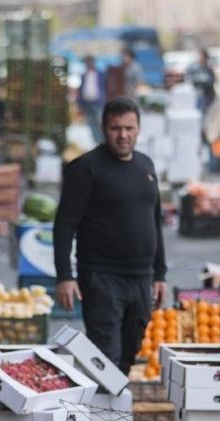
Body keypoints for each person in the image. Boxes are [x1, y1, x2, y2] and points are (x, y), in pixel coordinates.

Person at [53, 97, 168, 374]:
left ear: (139, 129)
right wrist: (65, 276)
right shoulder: (85, 168)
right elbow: (64, 224)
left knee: (131, 353)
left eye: (129, 128)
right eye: (116, 128)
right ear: (104, 129)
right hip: (102, 278)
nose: (123, 135)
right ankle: (107, 415)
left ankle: (116, 411)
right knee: (106, 357)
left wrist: (160, 274)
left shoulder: (146, 166)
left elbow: (155, 220)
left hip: (141, 277)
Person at [77, 55, 103, 144]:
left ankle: (105, 142)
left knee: (100, 122)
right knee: (92, 124)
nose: (88, 64)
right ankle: (97, 143)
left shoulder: (100, 74)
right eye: (86, 62)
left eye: (89, 62)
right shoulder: (84, 75)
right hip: (87, 103)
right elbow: (81, 89)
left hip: (98, 102)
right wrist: (79, 103)